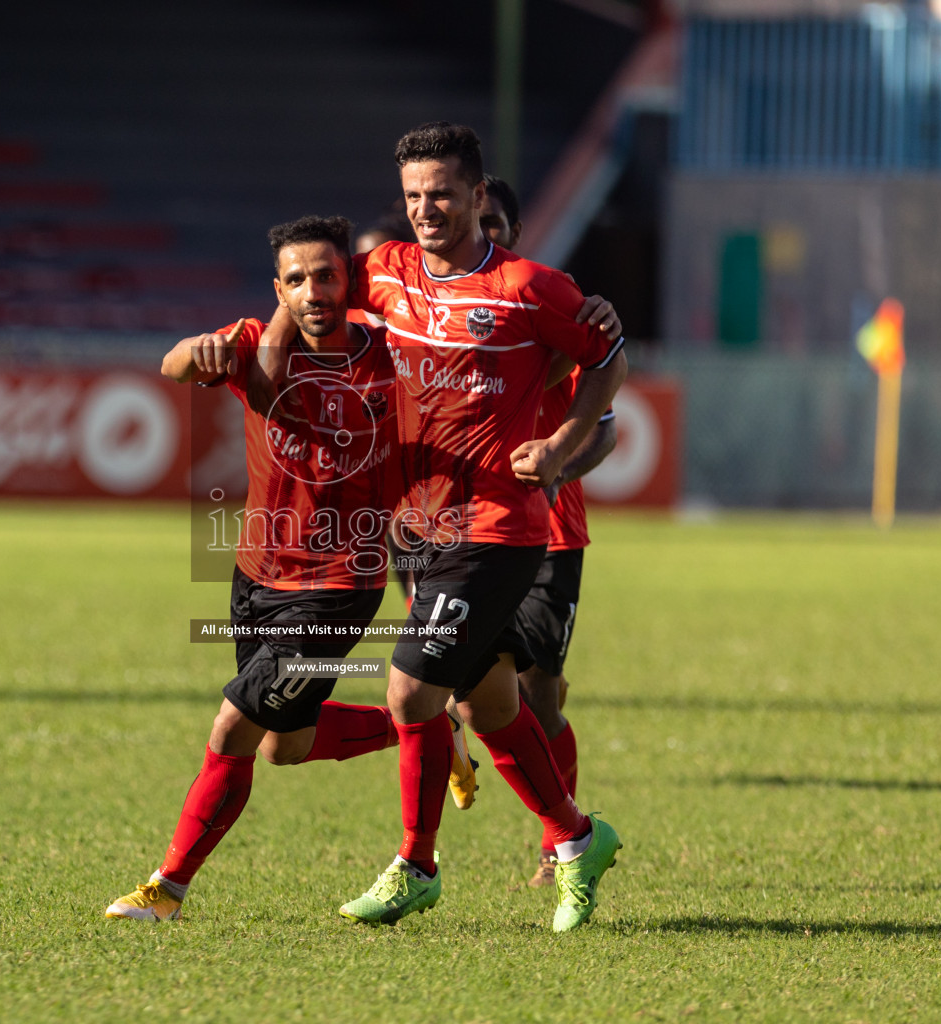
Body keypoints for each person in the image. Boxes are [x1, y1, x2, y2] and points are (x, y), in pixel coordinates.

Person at [307, 122, 628, 932]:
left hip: (500, 528)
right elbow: (305, 299)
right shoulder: (383, 273)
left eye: (442, 193)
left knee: (414, 689)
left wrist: (558, 445)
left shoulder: (530, 286)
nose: (427, 209)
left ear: (479, 196)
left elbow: (609, 356)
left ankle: (416, 864)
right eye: (414, 196)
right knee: (488, 704)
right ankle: (574, 837)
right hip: (418, 528)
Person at [105, 215, 404, 922]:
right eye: (295, 279)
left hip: (337, 589)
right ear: (279, 289)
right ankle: (422, 725)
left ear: (349, 280)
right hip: (256, 577)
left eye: (326, 275)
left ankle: (166, 889)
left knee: (232, 727)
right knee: (283, 746)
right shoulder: (254, 346)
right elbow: (172, 366)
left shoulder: (393, 359)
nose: (312, 291)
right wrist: (199, 349)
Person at [475, 173, 620, 888]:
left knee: (536, 693)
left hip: (550, 535)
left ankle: (558, 840)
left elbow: (608, 428)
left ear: (515, 230)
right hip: (461, 529)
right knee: (465, 686)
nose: (485, 232)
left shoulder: (548, 306)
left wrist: (559, 464)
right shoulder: (439, 311)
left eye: (495, 222)